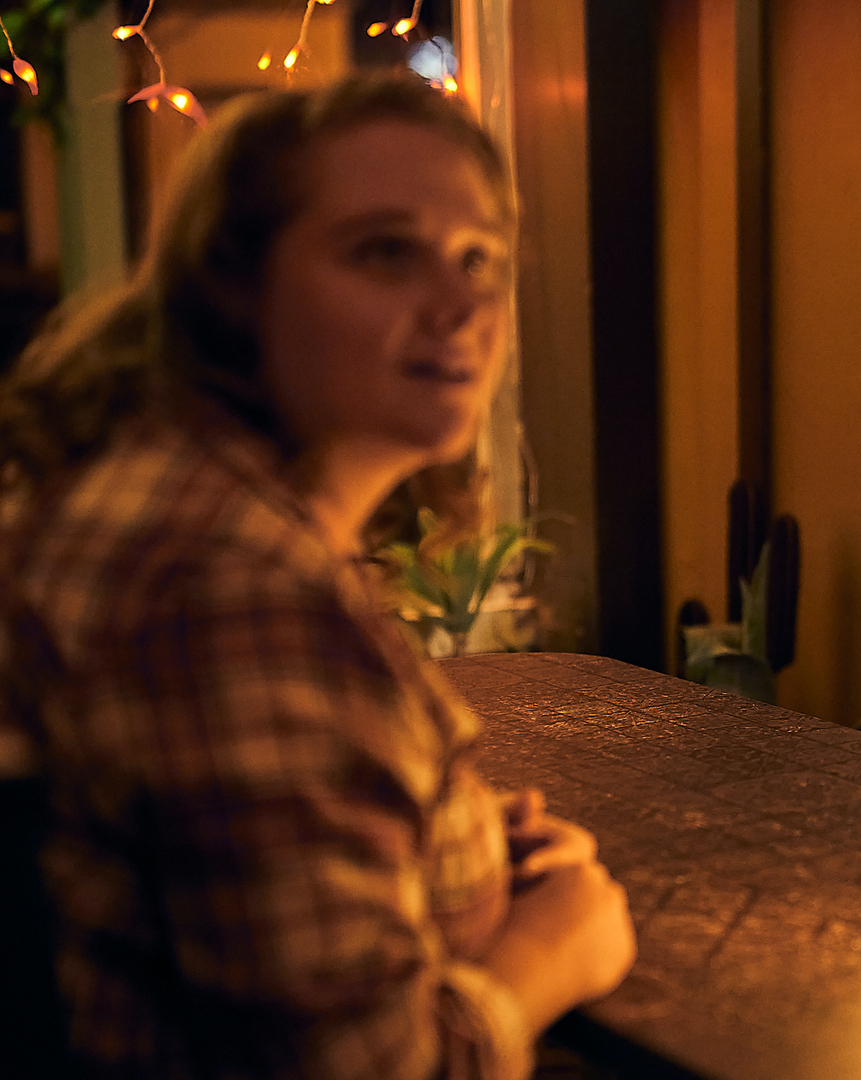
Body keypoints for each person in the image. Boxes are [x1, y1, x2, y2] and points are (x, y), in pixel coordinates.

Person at [0, 77, 635, 1078]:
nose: (463, 301)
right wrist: (555, 949)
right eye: (386, 250)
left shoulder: (173, 489)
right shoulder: (231, 586)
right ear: (236, 287)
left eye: (482, 260)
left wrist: (445, 838)